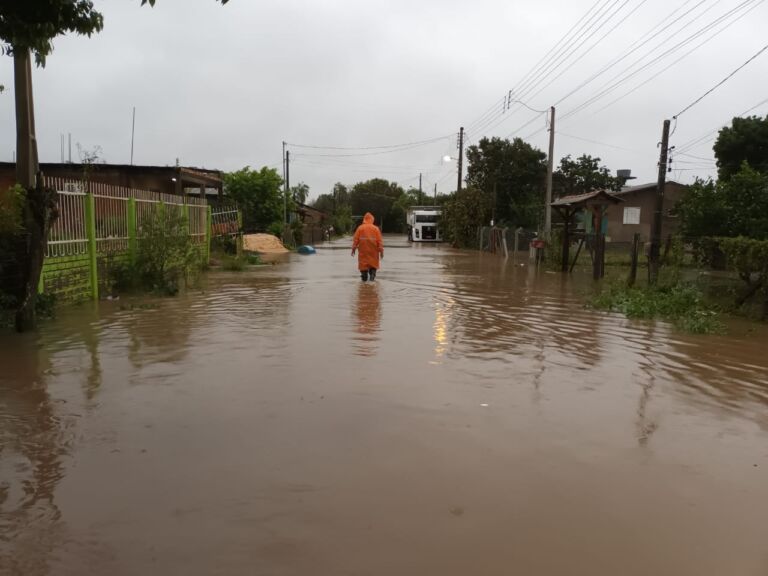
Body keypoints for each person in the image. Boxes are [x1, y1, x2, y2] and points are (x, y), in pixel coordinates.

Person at [351, 212, 384, 281]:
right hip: (373, 253)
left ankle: (364, 278)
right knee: (373, 267)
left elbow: (355, 240)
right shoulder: (376, 229)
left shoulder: (360, 228)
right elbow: (380, 241)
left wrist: (353, 249)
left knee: (363, 268)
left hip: (363, 253)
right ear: (372, 219)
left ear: (364, 219)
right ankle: (372, 278)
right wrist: (381, 252)